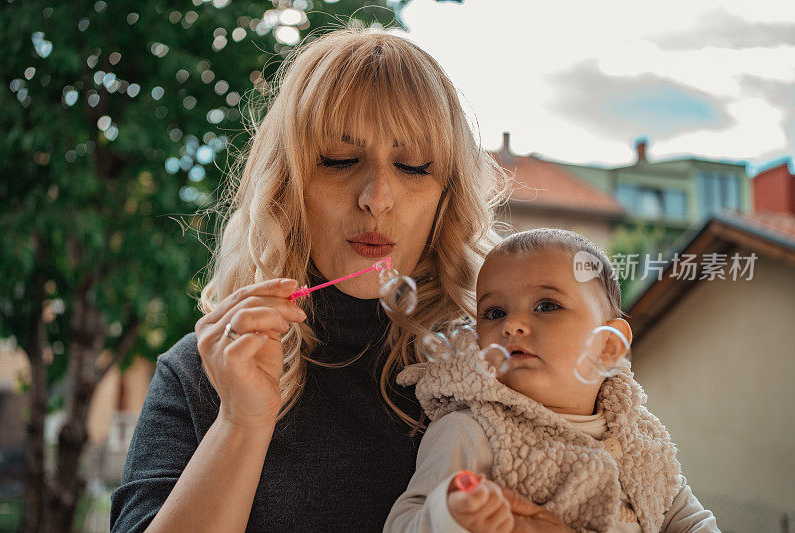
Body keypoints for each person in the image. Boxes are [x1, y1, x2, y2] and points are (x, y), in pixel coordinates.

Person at [109, 28, 519, 532]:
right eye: (339, 160)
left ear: (446, 197)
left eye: (412, 166)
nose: (377, 196)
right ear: (289, 183)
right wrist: (240, 423)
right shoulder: (202, 374)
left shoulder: (500, 368)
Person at [388, 229, 720, 532]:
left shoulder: (642, 440)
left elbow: (691, 523)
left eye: (546, 305)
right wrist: (449, 516)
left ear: (607, 345)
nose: (512, 324)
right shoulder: (473, 428)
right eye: (494, 312)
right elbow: (403, 522)